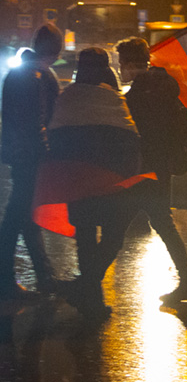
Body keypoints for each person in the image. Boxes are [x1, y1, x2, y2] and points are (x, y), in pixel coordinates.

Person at [46, 47, 143, 320]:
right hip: (111, 180)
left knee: (85, 241)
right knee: (113, 238)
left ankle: (89, 296)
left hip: (77, 182)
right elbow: (130, 138)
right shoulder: (113, 99)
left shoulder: (68, 98)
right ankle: (89, 295)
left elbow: (55, 138)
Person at [116, 37, 187, 304]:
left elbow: (137, 135)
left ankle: (87, 284)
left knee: (116, 226)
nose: (120, 70)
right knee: (159, 223)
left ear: (130, 64)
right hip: (161, 168)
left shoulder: (140, 95)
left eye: (121, 64)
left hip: (144, 170)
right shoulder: (164, 86)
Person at [0, 24, 62, 301]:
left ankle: (43, 276)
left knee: (24, 214)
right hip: (31, 154)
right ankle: (6, 281)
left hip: (18, 151)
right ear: (56, 51)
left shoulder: (19, 72)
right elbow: (40, 121)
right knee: (19, 215)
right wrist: (48, 150)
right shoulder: (39, 76)